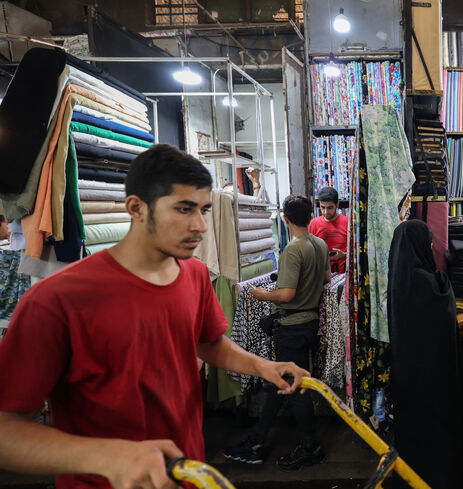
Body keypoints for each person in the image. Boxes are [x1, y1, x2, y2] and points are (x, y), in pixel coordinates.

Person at [0, 144, 309, 489]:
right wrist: (107, 457)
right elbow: (6, 429)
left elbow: (207, 343)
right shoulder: (57, 299)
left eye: (204, 210)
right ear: (137, 208)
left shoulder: (194, 275)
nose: (200, 225)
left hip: (188, 473)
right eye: (183, 209)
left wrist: (261, 367)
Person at [223, 195, 330, 471]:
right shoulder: (320, 244)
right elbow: (326, 279)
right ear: (310, 215)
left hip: (292, 327)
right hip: (309, 323)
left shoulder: (293, 250)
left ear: (285, 218)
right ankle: (258, 439)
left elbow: (287, 294)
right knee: (281, 384)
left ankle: (310, 447)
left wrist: (260, 294)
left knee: (294, 388)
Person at [388, 220, 462, 489]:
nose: (432, 247)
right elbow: (443, 308)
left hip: (407, 371)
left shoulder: (399, 276)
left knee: (413, 427)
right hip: (431, 373)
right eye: (428, 242)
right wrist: (444, 279)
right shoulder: (426, 281)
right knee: (433, 429)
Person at [309, 186, 348, 273]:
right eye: (322, 207)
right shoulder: (314, 223)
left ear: (337, 205)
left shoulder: (347, 222)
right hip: (321, 273)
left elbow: (356, 252)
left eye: (330, 208)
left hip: (344, 273)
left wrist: (343, 255)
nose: (326, 212)